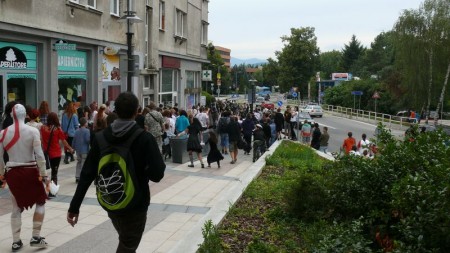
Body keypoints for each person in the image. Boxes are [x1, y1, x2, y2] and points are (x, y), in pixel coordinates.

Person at [67, 92, 165, 253]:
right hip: (136, 204)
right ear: (136, 111)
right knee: (128, 244)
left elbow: (86, 174)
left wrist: (74, 207)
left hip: (111, 200)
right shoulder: (144, 138)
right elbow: (157, 174)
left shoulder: (100, 138)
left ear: (116, 111)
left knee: (125, 238)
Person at [0, 104, 48, 251]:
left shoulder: (2, 133)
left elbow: (0, 157)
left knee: (15, 207)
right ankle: (36, 236)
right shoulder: (33, 131)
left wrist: (2, 173)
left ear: (12, 115)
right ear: (25, 114)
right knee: (40, 201)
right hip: (31, 170)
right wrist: (44, 174)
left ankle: (16, 241)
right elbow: (40, 155)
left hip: (13, 172)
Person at [40, 112, 74, 191]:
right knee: (54, 173)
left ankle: (48, 186)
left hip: (46, 152)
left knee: (45, 172)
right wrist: (70, 149)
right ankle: (53, 190)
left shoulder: (43, 128)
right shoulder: (57, 129)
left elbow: (41, 139)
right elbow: (63, 141)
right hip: (55, 154)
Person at [71, 117, 90, 183]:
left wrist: (73, 148)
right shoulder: (87, 131)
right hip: (84, 150)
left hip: (78, 150)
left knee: (79, 162)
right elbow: (88, 140)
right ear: (85, 123)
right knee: (83, 163)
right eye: (87, 122)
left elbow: (74, 140)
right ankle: (82, 176)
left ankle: (77, 176)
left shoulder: (76, 131)